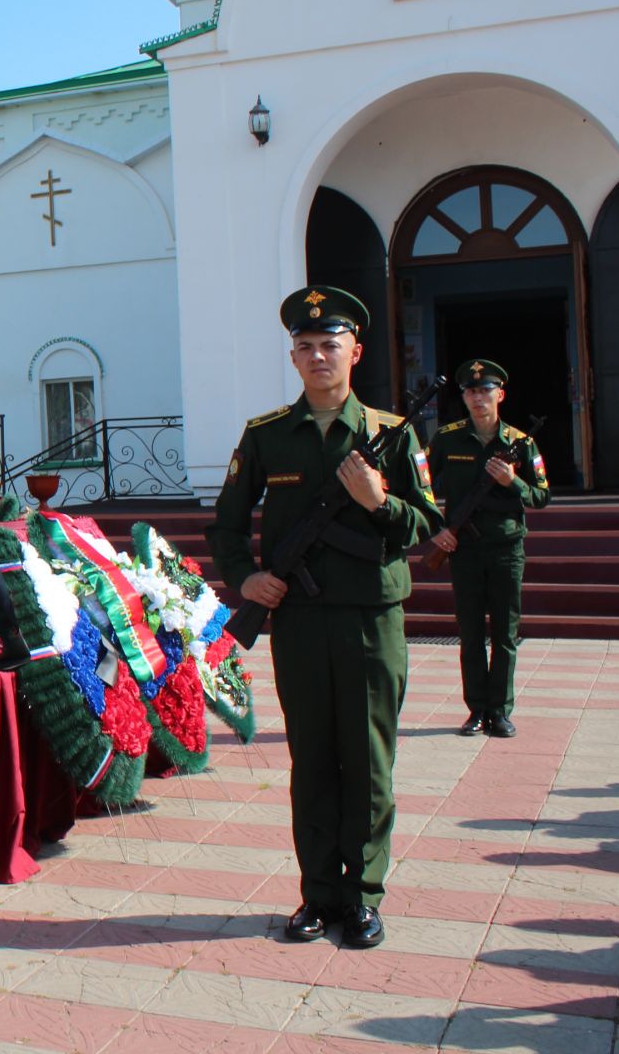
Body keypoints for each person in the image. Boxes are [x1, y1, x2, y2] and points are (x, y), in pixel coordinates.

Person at [205, 287, 441, 951]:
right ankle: (318, 893)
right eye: (305, 347)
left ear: (355, 352)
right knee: (312, 760)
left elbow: (428, 524)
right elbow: (225, 523)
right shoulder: (267, 435)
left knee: (366, 760)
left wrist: (379, 501)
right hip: (300, 620)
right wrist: (243, 576)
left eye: (329, 345)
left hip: (371, 619)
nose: (317, 356)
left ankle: (363, 896)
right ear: (293, 356)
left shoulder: (391, 435)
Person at [428, 360, 550, 739]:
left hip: (506, 548)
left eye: (485, 390)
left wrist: (512, 481)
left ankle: (500, 710)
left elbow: (542, 496)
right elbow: (419, 487)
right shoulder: (446, 438)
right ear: (463, 397)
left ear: (500, 395)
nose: (478, 397)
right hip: (464, 549)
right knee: (469, 632)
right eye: (470, 391)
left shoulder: (521, 442)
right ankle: (476, 710)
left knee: (504, 632)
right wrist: (437, 529)